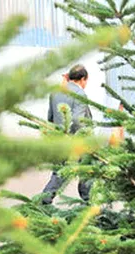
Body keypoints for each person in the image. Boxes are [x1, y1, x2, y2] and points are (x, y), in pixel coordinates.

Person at [41, 64, 93, 205]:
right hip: (76, 140)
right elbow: (77, 120)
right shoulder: (80, 94)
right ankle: (88, 202)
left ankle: (45, 199)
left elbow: (50, 117)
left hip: (59, 138)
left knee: (59, 172)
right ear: (83, 79)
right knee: (88, 168)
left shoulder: (55, 92)